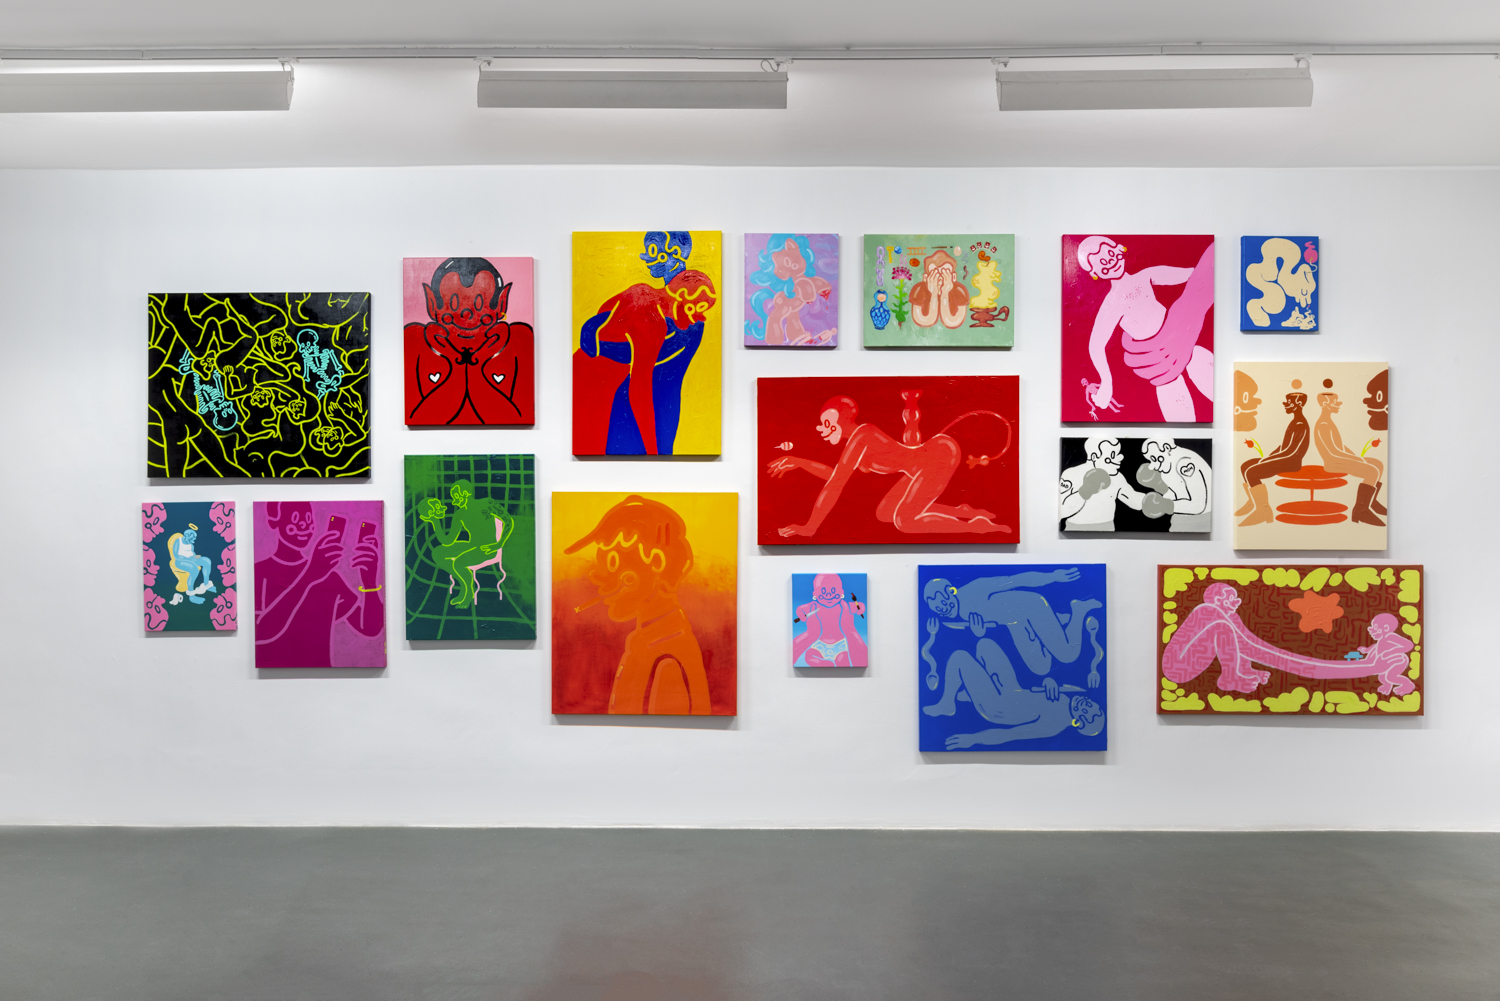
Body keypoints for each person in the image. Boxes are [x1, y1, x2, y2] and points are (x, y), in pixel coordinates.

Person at [766, 394, 1009, 538]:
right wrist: (799, 462)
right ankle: (965, 511)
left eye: (827, 422)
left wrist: (810, 527)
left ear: (842, 419)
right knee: (885, 513)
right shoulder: (855, 444)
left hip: (939, 457)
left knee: (905, 521)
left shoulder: (863, 436)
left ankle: (976, 527)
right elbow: (835, 476)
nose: (822, 429)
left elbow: (836, 483)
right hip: (921, 466)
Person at [565, 495, 712, 715]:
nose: (601, 580)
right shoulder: (652, 643)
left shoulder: (666, 659)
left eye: (614, 564)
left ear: (658, 563)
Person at [573, 232, 717, 455]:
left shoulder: (646, 295)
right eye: (693, 309)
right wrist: (653, 451)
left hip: (598, 373)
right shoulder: (651, 320)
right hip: (592, 386)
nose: (698, 318)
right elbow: (639, 389)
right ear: (679, 297)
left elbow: (600, 317)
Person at [1162, 583, 1415, 695]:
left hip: (1197, 660)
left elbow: (1248, 646)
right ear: (1218, 599)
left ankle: (1237, 674)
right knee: (1223, 628)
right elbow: (1244, 645)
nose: (1236, 603)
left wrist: (1364, 666)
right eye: (1232, 598)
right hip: (1178, 666)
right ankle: (1230, 677)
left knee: (1228, 632)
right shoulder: (1208, 611)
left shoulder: (1227, 618)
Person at [1077, 236, 1215, 422]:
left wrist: (1207, 271)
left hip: (1183, 340)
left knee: (1212, 383)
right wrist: (1107, 382)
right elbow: (1095, 345)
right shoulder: (1112, 304)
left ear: (1119, 249)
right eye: (1102, 263)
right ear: (1095, 273)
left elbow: (1191, 275)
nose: (1110, 263)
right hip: (1159, 363)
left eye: (1110, 254)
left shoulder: (1144, 276)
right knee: (1180, 415)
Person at [254, 502, 384, 669]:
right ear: (274, 522)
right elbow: (261, 632)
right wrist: (310, 575)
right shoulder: (261, 572)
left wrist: (370, 582)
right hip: (274, 672)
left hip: (324, 675)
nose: (304, 526)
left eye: (309, 519)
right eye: (295, 519)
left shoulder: (330, 576)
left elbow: (369, 629)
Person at [405, 257, 533, 424]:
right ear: (432, 303)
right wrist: (457, 365)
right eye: (453, 304)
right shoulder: (415, 340)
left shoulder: (518, 340)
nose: (467, 315)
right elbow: (421, 418)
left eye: (479, 305)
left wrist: (476, 364)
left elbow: (516, 418)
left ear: (502, 302)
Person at [923, 637, 1106, 750]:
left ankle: (948, 703)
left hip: (997, 706)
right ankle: (970, 691)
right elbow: (1035, 693)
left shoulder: (1054, 724)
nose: (1086, 703)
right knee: (985, 645)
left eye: (1086, 711)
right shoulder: (1066, 699)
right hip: (1012, 691)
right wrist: (1048, 682)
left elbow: (1011, 734)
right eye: (1091, 704)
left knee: (960, 657)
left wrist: (973, 739)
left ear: (1078, 722)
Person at [922, 570, 1101, 683]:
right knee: (1041, 668)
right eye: (939, 610)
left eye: (945, 604)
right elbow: (993, 629)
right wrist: (980, 633)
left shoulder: (975, 589)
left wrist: (1052, 576)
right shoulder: (958, 618)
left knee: (1068, 654)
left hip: (1033, 608)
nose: (945, 611)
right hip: (1015, 624)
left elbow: (1015, 580)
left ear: (951, 592)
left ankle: (1078, 610)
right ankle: (1057, 623)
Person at [418, 479, 511, 608]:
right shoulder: (459, 514)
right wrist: (435, 521)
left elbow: (508, 520)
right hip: (472, 545)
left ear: (465, 493)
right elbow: (447, 541)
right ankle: (465, 585)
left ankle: (468, 593)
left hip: (487, 548)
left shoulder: (487, 503)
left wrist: (499, 544)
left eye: (455, 496)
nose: (454, 500)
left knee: (459, 562)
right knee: (438, 553)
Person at [1312, 390, 1386, 526]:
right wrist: (1356, 460)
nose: (1339, 403)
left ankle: (1372, 502)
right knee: (1372, 471)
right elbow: (1333, 451)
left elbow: (1340, 446)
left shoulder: (1328, 422)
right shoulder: (1323, 425)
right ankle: (1360, 510)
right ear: (1325, 404)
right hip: (1333, 462)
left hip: (1339, 458)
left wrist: (1355, 457)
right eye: (1335, 401)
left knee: (1378, 464)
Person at [1237, 392, 1310, 526]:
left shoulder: (1300, 424)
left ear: (1299, 404)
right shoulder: (1294, 421)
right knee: (1245, 465)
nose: (1285, 404)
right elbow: (1283, 447)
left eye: (1289, 402)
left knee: (1251, 472)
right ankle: (1252, 501)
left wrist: (1268, 460)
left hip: (1291, 462)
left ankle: (1263, 510)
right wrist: (1270, 457)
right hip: (1285, 458)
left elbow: (1290, 451)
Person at [747, 235, 834, 346]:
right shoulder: (799, 281)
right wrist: (810, 297)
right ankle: (774, 338)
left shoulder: (803, 278)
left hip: (794, 303)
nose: (793, 265)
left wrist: (824, 290)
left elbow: (813, 282)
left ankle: (796, 335)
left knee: (793, 317)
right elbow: (807, 288)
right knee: (776, 317)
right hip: (786, 302)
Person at [1058, 436, 1152, 531]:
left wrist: (1151, 501)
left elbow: (1132, 499)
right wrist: (1084, 492)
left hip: (1107, 529)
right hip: (1075, 530)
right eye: (1112, 455)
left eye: (1118, 453)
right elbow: (1061, 511)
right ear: (1094, 457)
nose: (1120, 457)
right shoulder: (1072, 474)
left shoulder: (1116, 477)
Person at [793, 574, 867, 667]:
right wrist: (802, 616)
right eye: (823, 592)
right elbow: (800, 609)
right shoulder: (814, 606)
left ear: (841, 592)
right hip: (821, 644)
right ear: (815, 594)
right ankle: (828, 664)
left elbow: (859, 606)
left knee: (842, 661)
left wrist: (860, 608)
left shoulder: (844, 606)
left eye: (833, 591)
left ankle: (838, 669)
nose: (828, 595)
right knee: (809, 656)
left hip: (839, 645)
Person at [1141, 436, 1211, 532]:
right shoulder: (1167, 468)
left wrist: (1165, 505)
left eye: (1155, 458)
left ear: (1166, 448)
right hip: (1181, 518)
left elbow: (1198, 505)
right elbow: (1177, 494)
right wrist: (1161, 493)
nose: (1152, 466)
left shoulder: (1185, 464)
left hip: (1201, 521)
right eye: (1151, 460)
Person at [168, 525, 216, 603]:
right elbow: (176, 556)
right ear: (186, 536)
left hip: (190, 559)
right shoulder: (178, 541)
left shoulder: (191, 545)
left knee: (207, 561)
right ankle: (191, 595)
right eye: (191, 539)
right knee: (194, 569)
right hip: (180, 561)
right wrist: (189, 559)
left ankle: (206, 584)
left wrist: (196, 557)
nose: (192, 541)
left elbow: (192, 554)